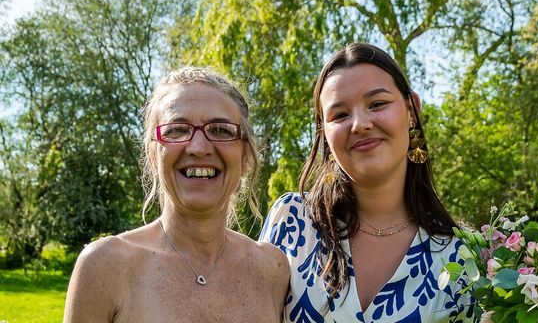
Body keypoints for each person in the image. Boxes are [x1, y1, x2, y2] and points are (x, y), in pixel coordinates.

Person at [260, 43, 473, 322]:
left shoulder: (464, 257)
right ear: (324, 133)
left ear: (412, 110)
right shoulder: (291, 221)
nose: (359, 124)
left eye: (377, 104)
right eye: (340, 115)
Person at [64, 67, 289, 322]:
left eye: (220, 130)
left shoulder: (273, 270)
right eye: (177, 130)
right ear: (152, 156)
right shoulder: (106, 267)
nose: (199, 147)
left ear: (246, 157)